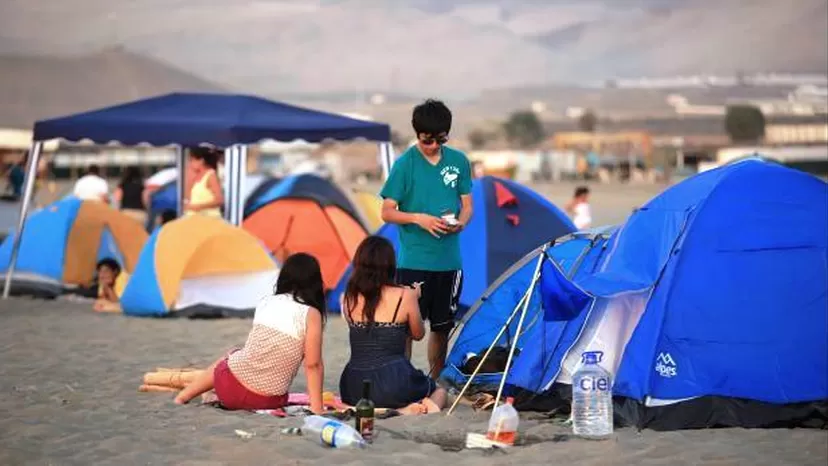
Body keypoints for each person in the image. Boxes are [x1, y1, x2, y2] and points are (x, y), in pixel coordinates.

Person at [379, 99, 473, 379]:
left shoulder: (459, 161)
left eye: (439, 140)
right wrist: (419, 218)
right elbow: (386, 212)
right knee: (406, 329)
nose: (433, 146)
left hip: (449, 262)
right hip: (414, 262)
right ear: (417, 133)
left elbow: (467, 206)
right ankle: (404, 379)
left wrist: (461, 224)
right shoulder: (404, 164)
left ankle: (434, 381)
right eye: (426, 140)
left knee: (442, 328)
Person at [174, 253, 326, 412]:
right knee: (237, 356)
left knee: (231, 355)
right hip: (266, 400)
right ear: (314, 283)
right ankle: (204, 394)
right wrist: (317, 409)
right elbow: (313, 365)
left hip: (228, 390)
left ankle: (183, 396)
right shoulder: (310, 313)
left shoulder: (266, 302)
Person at [339, 236, 447, 414]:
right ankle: (410, 410)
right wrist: (415, 297)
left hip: (353, 385)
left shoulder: (348, 297)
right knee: (439, 391)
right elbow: (418, 334)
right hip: (393, 381)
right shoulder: (405, 295)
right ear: (389, 265)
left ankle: (389, 409)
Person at [183, 147, 223, 217]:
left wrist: (198, 207)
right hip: (194, 218)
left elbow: (219, 200)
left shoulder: (211, 175)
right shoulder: (196, 176)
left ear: (201, 161)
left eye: (192, 160)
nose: (190, 164)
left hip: (208, 218)